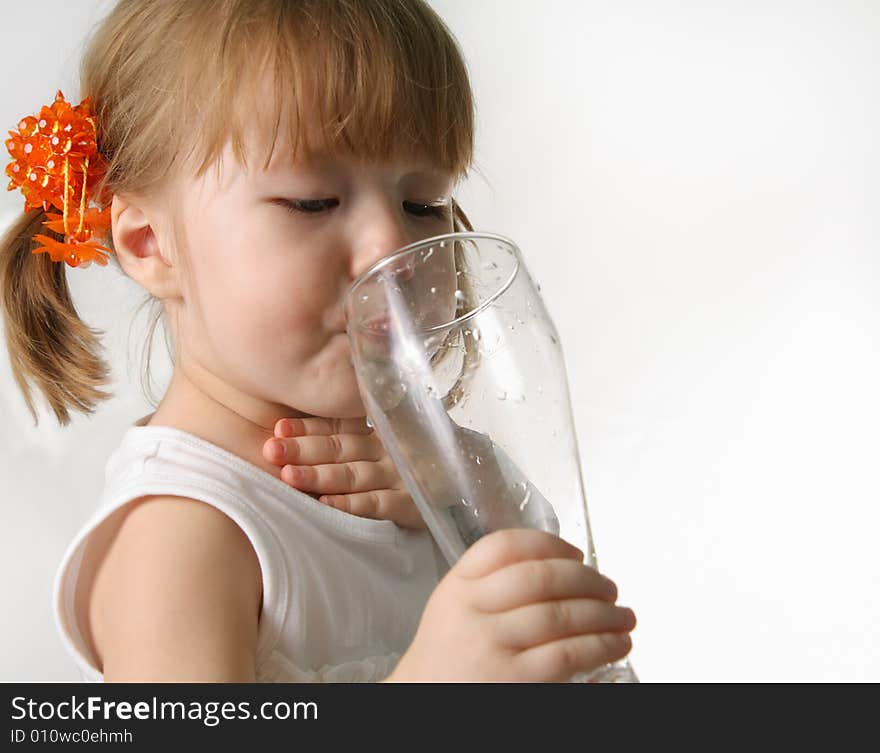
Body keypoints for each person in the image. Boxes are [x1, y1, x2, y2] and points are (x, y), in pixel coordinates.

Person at [0, 0, 636, 682]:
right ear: (149, 243)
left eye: (422, 203)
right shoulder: (184, 536)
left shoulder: (422, 476)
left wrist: (466, 485)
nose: (391, 247)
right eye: (312, 202)